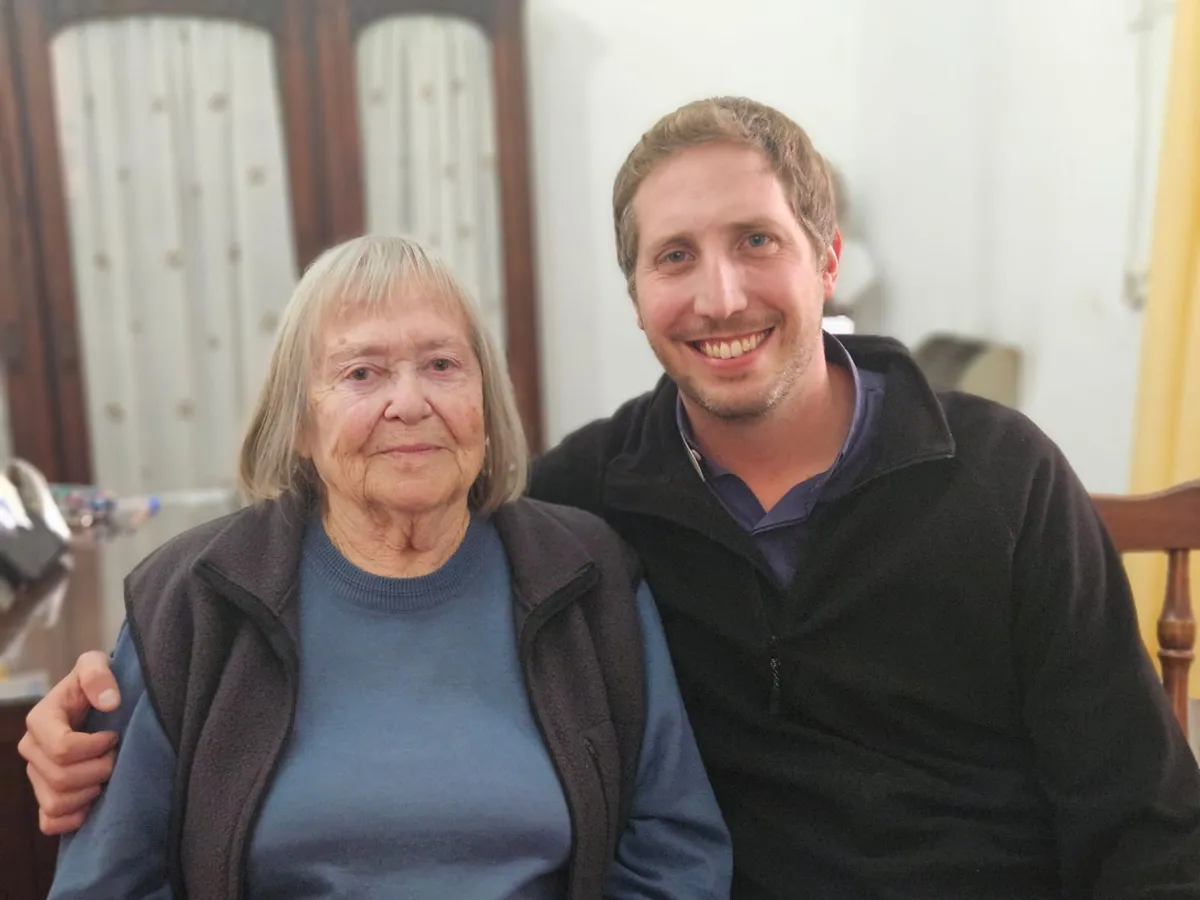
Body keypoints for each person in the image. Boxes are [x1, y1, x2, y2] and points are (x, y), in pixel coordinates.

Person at [21, 97, 1200, 898]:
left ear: (826, 260)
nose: (720, 292)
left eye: (757, 240)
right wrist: (72, 727)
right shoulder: (591, 511)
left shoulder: (997, 480)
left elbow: (1141, 814)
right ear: (635, 293)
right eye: (675, 256)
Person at [28, 234, 732, 900]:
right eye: (362, 373)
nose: (410, 402)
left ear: (484, 402)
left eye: (442, 365)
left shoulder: (586, 575)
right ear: (300, 424)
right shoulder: (192, 596)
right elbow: (105, 884)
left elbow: (676, 847)